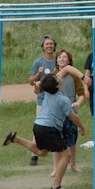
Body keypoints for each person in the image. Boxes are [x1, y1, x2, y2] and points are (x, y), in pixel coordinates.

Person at [3, 73, 85, 189]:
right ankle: (56, 187)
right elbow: (74, 117)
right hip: (49, 128)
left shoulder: (48, 92)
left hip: (38, 125)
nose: (58, 76)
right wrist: (82, 128)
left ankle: (15, 139)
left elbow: (40, 88)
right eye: (57, 78)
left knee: (42, 152)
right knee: (67, 154)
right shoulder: (63, 99)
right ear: (57, 86)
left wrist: (38, 84)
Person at [51, 49, 87, 173]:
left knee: (71, 140)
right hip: (56, 114)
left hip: (71, 112)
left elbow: (82, 94)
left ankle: (73, 165)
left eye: (65, 57)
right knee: (56, 142)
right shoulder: (52, 75)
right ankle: (56, 168)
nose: (62, 59)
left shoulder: (74, 76)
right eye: (59, 57)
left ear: (69, 60)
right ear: (56, 60)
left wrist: (78, 103)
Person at [26, 35, 57, 166]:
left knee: (57, 126)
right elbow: (30, 81)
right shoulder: (38, 62)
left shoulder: (58, 60)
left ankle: (59, 152)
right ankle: (35, 154)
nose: (49, 46)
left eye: (51, 44)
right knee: (40, 126)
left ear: (54, 46)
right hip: (42, 99)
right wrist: (39, 73)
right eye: (47, 44)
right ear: (43, 47)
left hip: (56, 99)